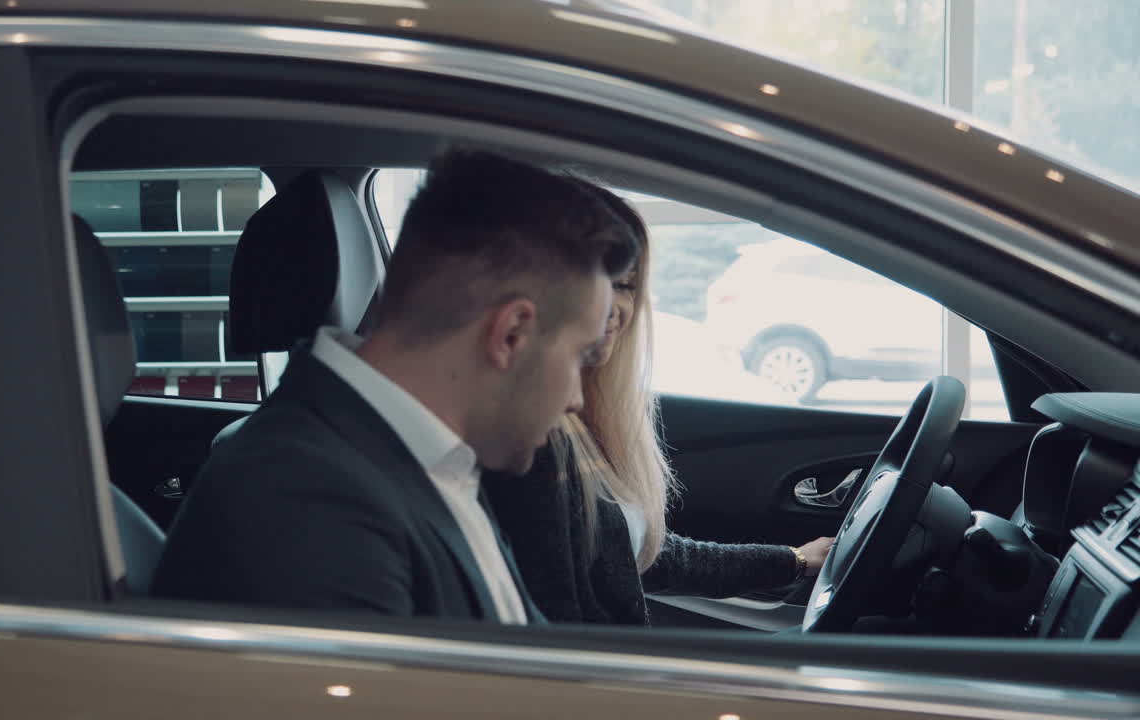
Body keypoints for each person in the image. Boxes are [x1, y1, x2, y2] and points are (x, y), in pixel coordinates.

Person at [150, 150, 639, 623]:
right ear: (511, 335)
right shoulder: (306, 505)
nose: (576, 397)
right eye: (579, 357)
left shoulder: (427, 460)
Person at [484, 182, 833, 625]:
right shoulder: (535, 443)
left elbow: (647, 556)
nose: (609, 308)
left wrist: (793, 561)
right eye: (590, 286)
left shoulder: (586, 419)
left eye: (625, 285)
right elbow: (567, 635)